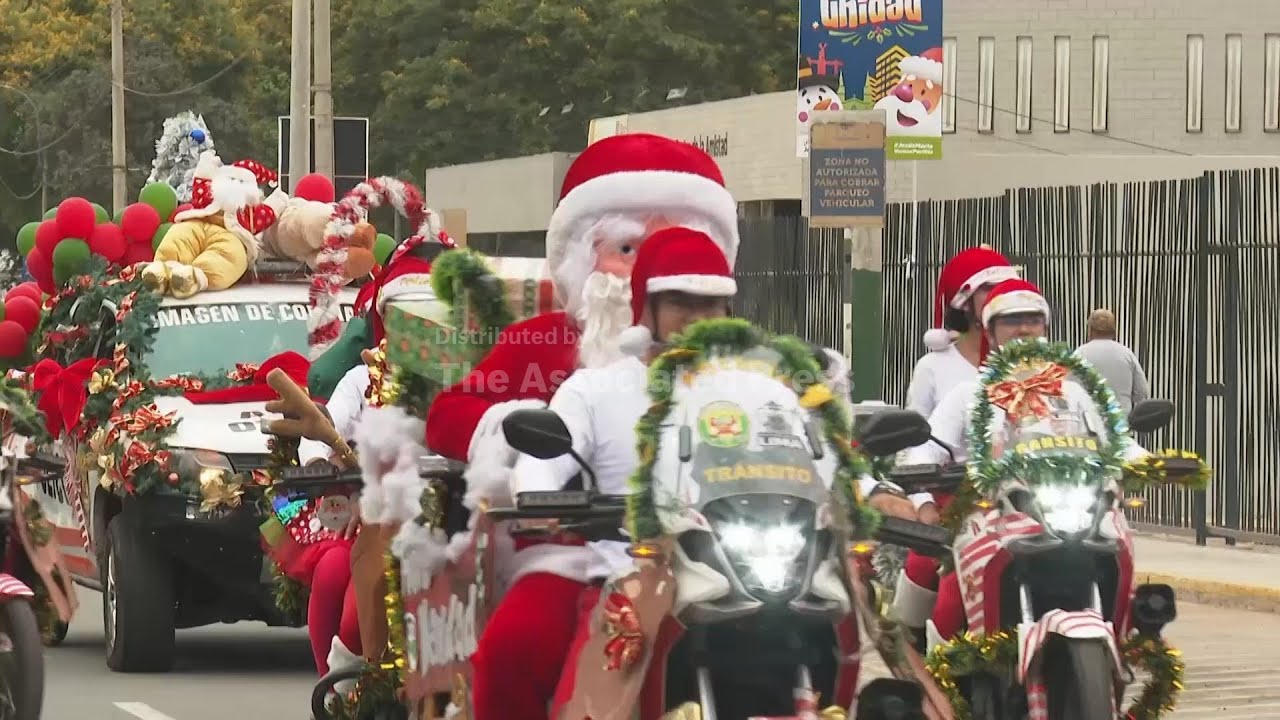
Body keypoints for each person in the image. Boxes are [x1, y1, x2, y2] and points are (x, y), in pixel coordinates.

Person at [898, 279, 1147, 646]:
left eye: (1034, 319)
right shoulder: (970, 393)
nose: (1025, 329)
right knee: (952, 595)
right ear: (990, 331)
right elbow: (923, 448)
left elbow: (1117, 442)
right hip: (992, 514)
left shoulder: (1075, 391)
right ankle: (938, 682)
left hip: (1070, 511)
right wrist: (923, 499)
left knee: (1126, 572)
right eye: (1012, 321)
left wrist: (1151, 464)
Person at [907, 246, 1020, 418]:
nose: (1001, 294)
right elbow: (915, 440)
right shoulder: (932, 367)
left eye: (1007, 286)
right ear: (964, 302)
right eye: (988, 287)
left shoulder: (1035, 365)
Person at [1077, 308, 1150, 415]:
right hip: (1119, 427)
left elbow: (1067, 392)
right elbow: (1141, 393)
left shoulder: (1079, 354)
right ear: (1114, 331)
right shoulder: (1126, 354)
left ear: (1090, 330)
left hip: (1088, 426)